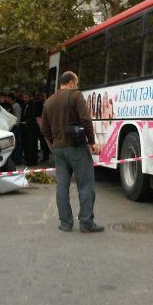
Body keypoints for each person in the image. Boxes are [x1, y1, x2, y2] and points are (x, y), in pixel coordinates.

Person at [41, 71, 103, 233]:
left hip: (59, 149)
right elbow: (85, 120)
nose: (77, 85)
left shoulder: (49, 102)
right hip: (76, 147)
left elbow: (44, 129)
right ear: (70, 83)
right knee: (86, 184)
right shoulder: (75, 95)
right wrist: (91, 142)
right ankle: (86, 223)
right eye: (76, 82)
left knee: (62, 185)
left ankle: (66, 223)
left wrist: (54, 142)